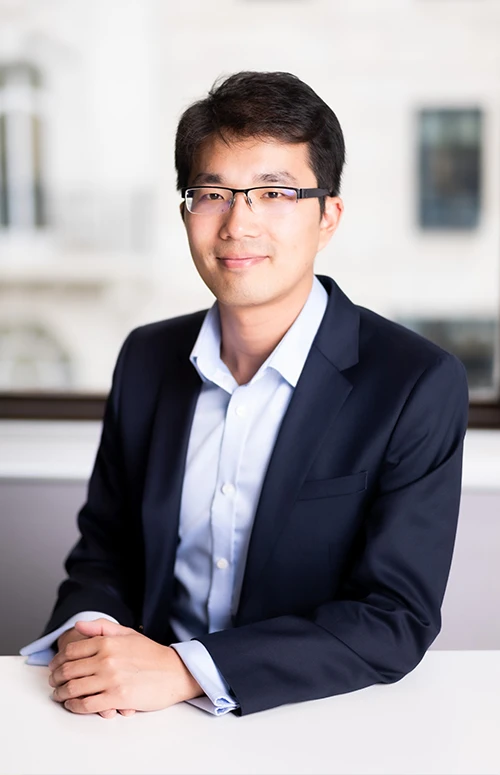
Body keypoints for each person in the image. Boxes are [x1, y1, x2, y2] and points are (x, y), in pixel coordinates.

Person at [21, 71, 469, 719]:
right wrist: (94, 636)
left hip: (307, 717)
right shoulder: (147, 358)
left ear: (328, 215)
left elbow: (393, 617)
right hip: (139, 718)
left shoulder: (414, 382)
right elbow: (105, 552)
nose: (239, 222)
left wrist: (184, 668)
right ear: (186, 213)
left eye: (275, 192)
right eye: (212, 193)